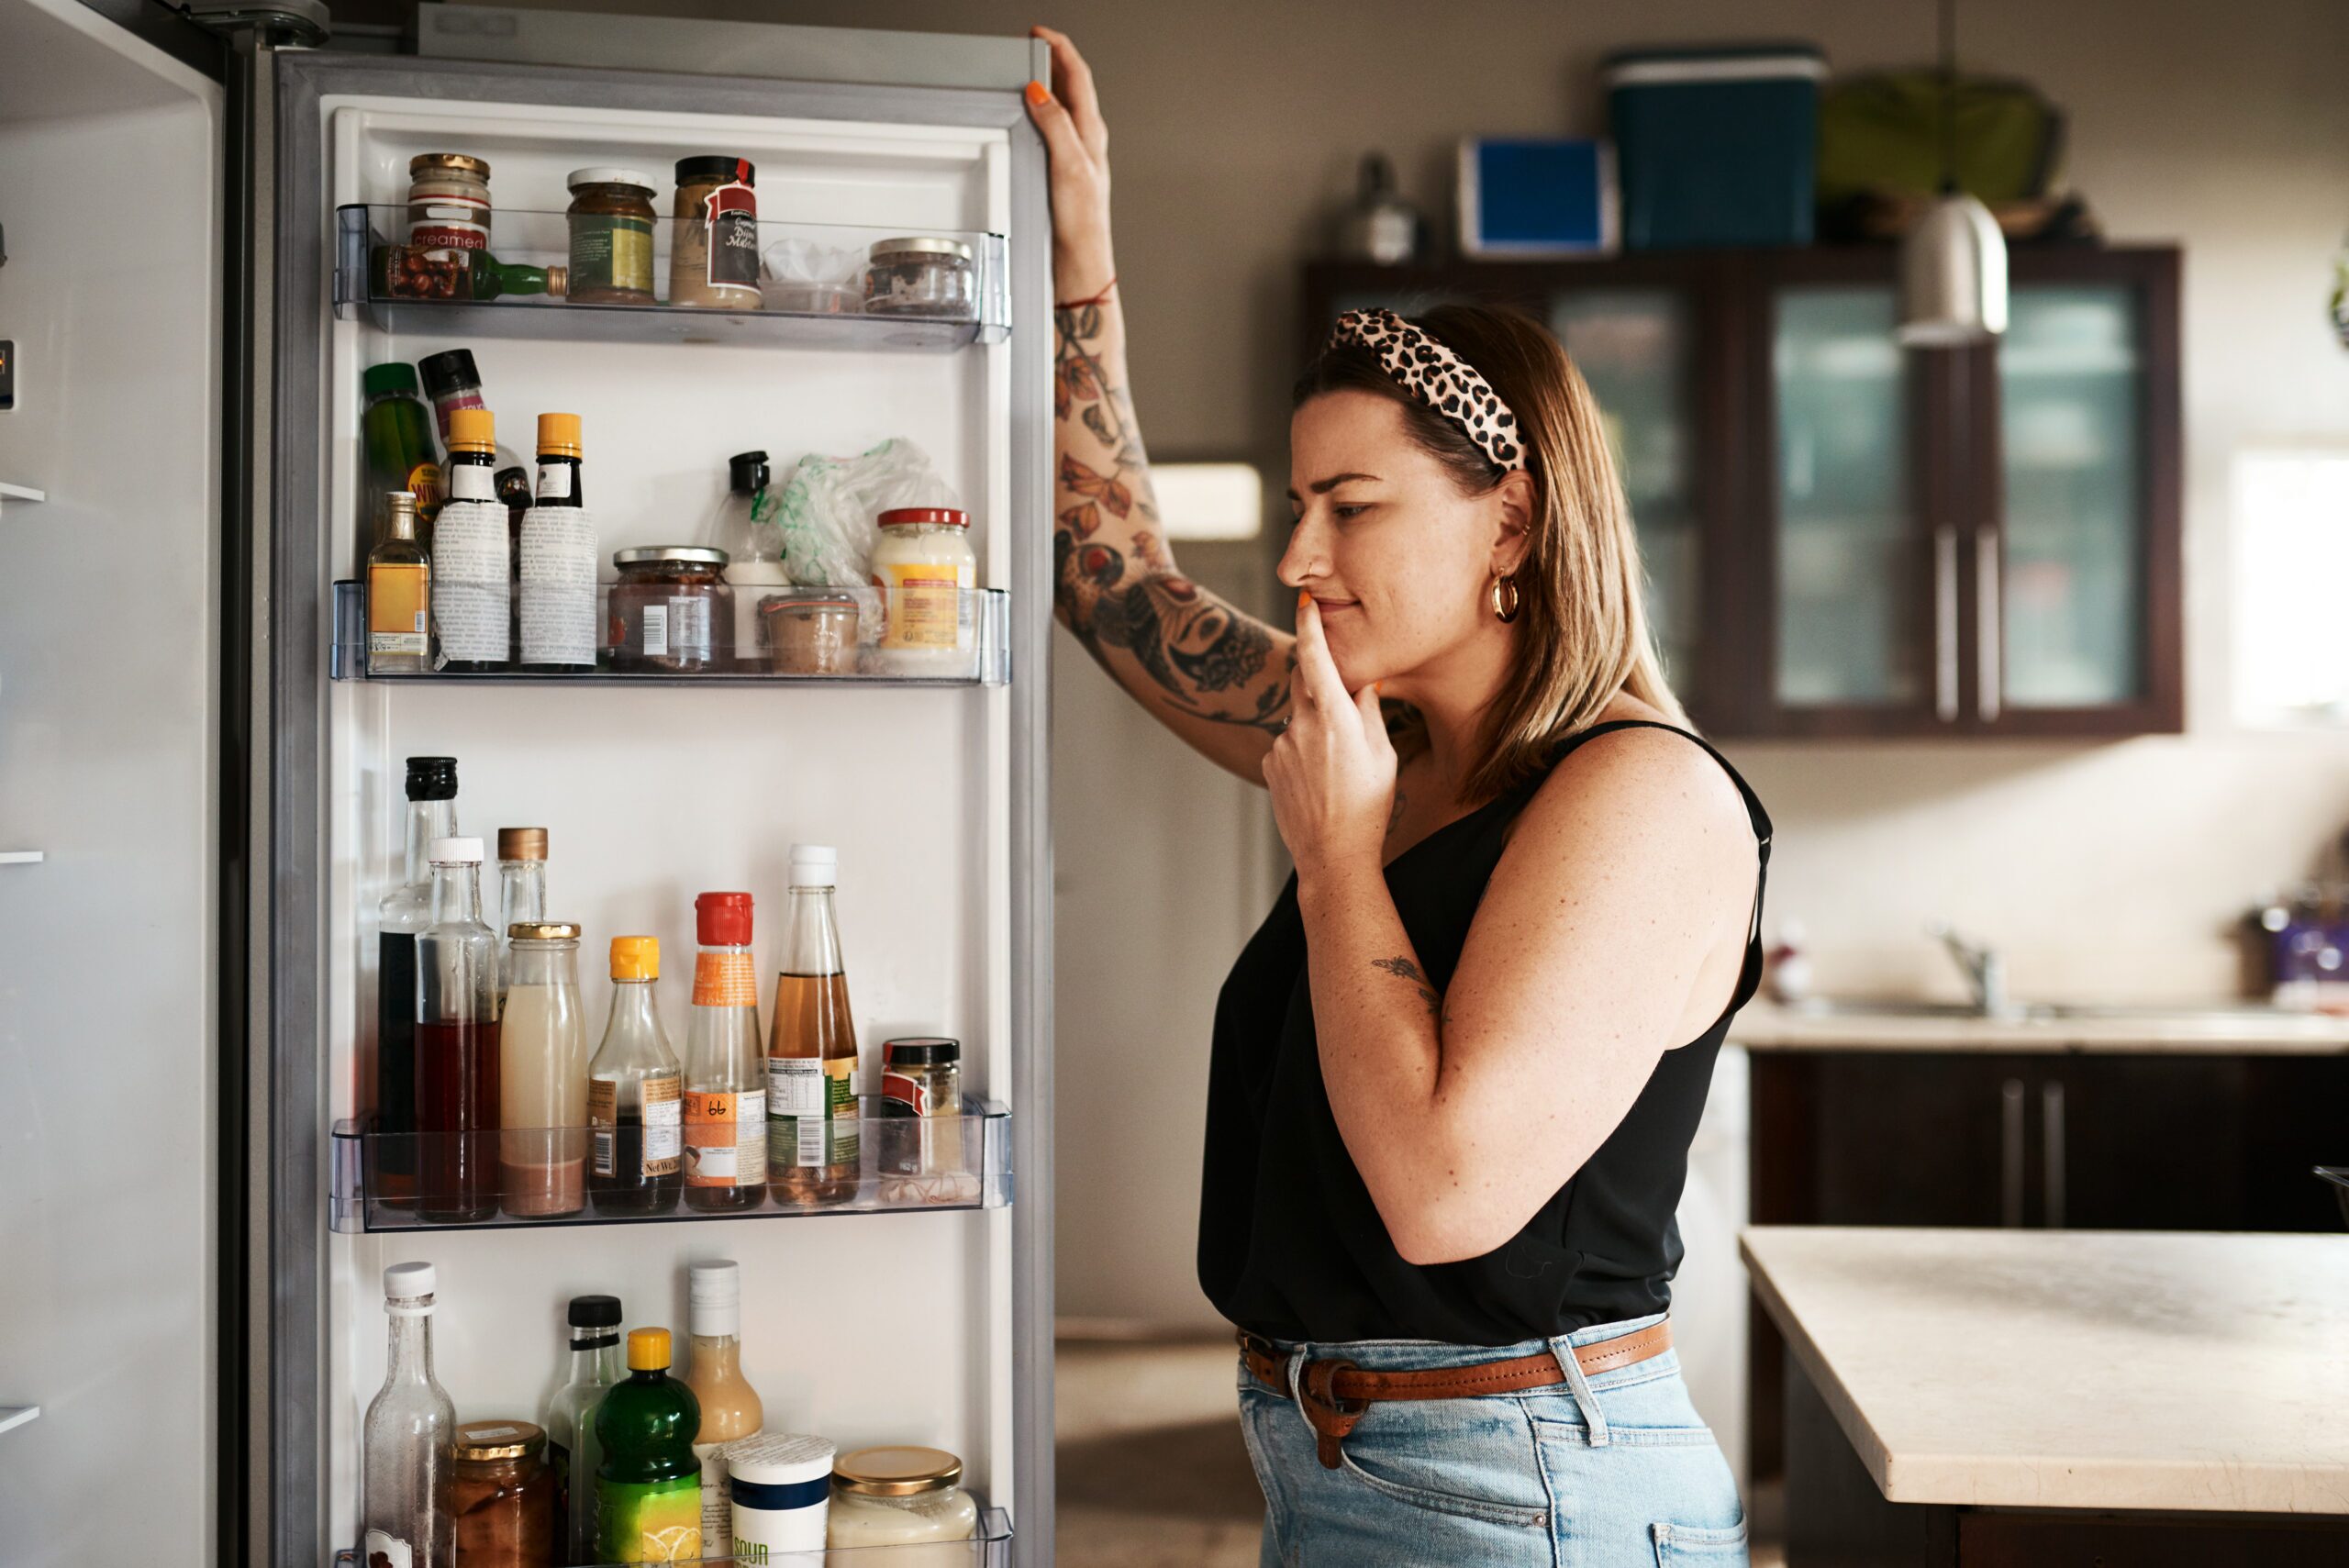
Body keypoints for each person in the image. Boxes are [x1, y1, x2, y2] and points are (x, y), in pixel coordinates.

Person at [1027, 26, 1772, 1565]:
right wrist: (1081, 261)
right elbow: (1113, 584)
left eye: (1349, 506)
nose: (1299, 557)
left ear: (1512, 523)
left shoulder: (1643, 794)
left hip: (1521, 1485)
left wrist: (1338, 858)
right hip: (1343, 1464)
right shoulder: (1385, 744)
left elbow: (1443, 1194)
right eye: (1301, 504)